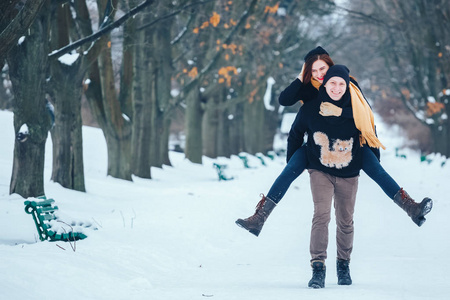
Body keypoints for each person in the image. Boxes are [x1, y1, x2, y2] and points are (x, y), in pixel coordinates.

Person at [235, 46, 433, 237]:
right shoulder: (309, 88)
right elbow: (285, 100)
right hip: (319, 146)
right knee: (289, 170)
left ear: (330, 66)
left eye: (322, 68)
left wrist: (341, 114)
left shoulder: (346, 84)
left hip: (349, 145)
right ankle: (259, 218)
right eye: (313, 71)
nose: (319, 74)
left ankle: (412, 208)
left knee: (377, 171)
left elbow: (364, 115)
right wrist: (302, 74)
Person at [290, 65, 360, 288]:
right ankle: (318, 266)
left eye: (341, 84)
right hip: (320, 170)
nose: (337, 88)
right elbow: (295, 132)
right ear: (325, 84)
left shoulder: (357, 109)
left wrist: (371, 162)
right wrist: (294, 162)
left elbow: (370, 130)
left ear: (347, 86)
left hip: (348, 172)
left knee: (345, 220)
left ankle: (343, 264)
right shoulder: (311, 108)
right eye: (333, 83)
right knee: (321, 215)